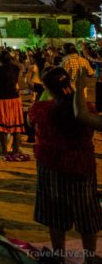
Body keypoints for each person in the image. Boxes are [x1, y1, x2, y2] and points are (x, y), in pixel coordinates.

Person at [30, 67, 101, 262]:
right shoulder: (88, 109)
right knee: (86, 213)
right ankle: (89, 256)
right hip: (80, 167)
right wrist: (78, 90)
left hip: (51, 167)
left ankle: (59, 255)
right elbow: (82, 115)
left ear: (48, 88)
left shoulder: (41, 109)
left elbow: (31, 122)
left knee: (56, 213)